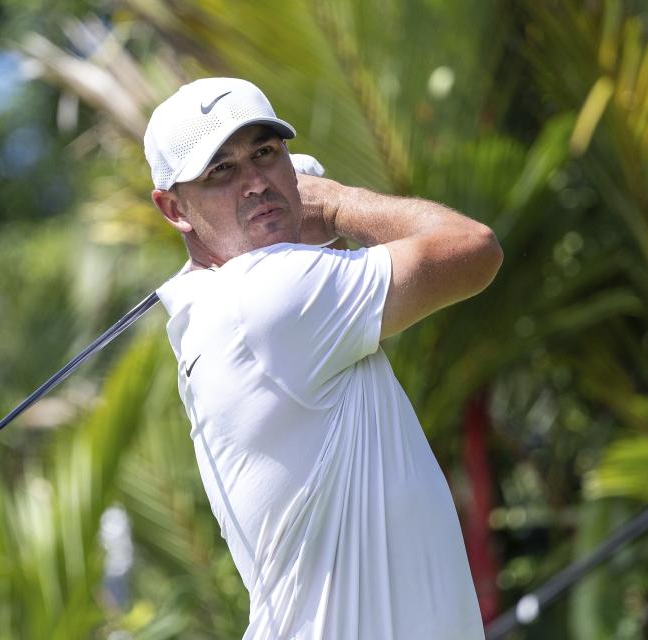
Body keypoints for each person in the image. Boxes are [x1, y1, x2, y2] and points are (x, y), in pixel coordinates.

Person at [144, 77, 502, 640]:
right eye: (221, 171)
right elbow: (473, 249)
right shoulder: (266, 295)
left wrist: (298, 225)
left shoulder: (220, 305)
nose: (255, 183)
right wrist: (332, 203)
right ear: (173, 208)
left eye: (264, 153)